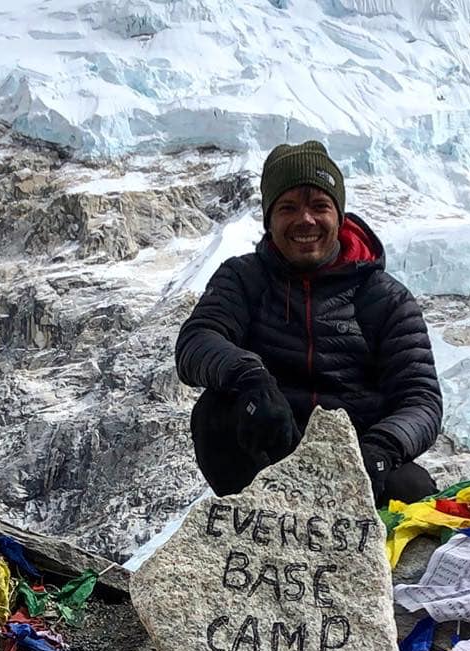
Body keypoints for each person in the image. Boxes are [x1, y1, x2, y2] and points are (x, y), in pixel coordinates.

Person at [175, 140, 442, 505]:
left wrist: (381, 447)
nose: (306, 220)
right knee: (215, 413)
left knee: (412, 489)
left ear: (340, 217)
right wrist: (250, 377)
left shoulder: (384, 298)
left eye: (320, 206)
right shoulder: (243, 278)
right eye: (288, 208)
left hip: (362, 455)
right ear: (270, 220)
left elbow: (421, 398)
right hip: (270, 448)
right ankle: (254, 528)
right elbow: (197, 340)